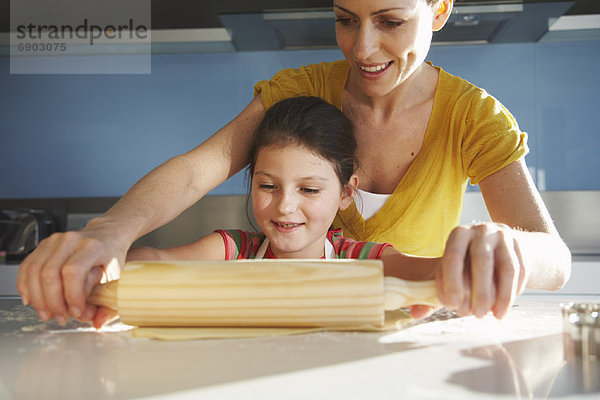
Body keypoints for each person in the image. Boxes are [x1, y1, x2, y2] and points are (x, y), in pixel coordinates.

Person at [17, 0, 571, 328]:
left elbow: (556, 260)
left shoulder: (474, 118)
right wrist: (109, 233)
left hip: (403, 341)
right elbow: (196, 169)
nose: (363, 49)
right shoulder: (298, 91)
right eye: (345, 18)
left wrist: (507, 246)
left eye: (391, 22)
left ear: (441, 9)